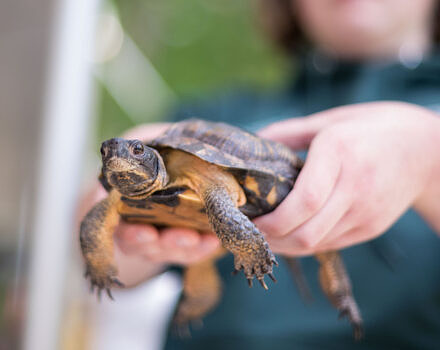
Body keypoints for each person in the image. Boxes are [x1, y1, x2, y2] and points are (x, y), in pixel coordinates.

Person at [80, 0, 440, 348]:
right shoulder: (215, 110)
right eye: (108, 154)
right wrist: (113, 249)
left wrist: (428, 160)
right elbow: (106, 240)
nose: (118, 155)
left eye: (135, 152)